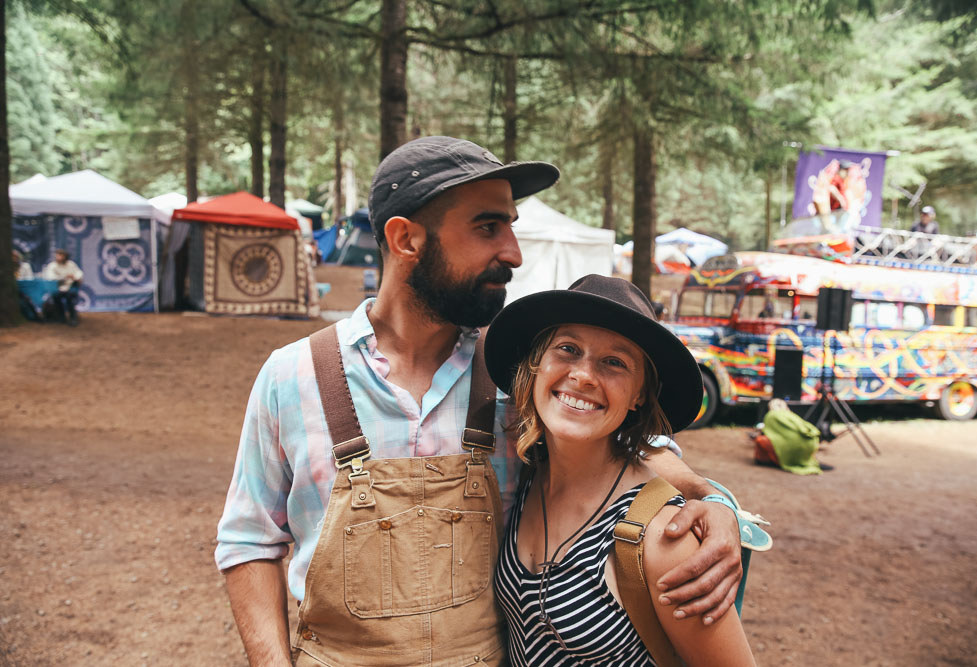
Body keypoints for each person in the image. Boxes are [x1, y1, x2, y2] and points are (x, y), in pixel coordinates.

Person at [216, 136, 743, 666]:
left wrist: (712, 501)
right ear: (406, 240)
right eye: (488, 227)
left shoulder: (517, 373)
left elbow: (620, 437)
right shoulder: (293, 376)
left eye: (511, 226)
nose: (513, 252)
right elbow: (249, 541)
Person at [485, 275, 755, 666]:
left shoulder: (662, 536)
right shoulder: (527, 476)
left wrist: (717, 503)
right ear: (536, 363)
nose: (582, 375)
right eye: (567, 348)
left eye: (614, 362)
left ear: (640, 394)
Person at [42, 249, 83, 325]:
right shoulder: (52, 265)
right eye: (57, 255)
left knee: (70, 298)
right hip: (58, 287)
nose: (59, 257)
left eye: (61, 255)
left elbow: (79, 273)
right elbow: (51, 277)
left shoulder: (71, 264)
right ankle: (61, 317)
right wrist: (64, 277)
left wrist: (75, 277)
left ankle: (73, 318)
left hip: (70, 287)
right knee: (56, 297)